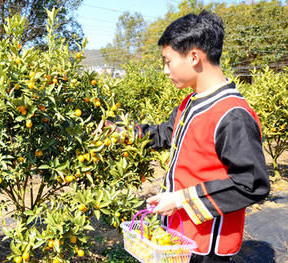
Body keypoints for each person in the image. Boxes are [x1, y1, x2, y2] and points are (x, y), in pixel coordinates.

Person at [96, 11, 270, 263]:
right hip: (179, 235)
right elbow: (167, 133)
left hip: (207, 243)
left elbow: (252, 183)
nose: (165, 70)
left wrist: (180, 199)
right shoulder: (190, 103)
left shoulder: (232, 115)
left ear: (194, 57)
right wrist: (125, 132)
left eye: (167, 61)